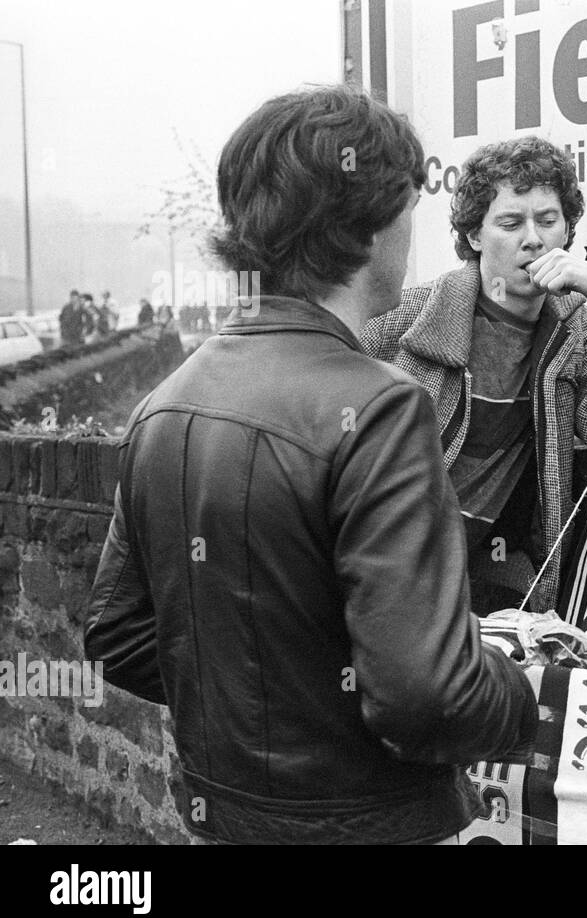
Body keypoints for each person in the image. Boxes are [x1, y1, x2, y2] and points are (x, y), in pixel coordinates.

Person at [84, 85, 537, 845]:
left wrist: (280, 697)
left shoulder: (163, 405)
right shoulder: (380, 407)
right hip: (376, 825)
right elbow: (429, 696)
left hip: (221, 820)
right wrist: (522, 692)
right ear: (369, 226)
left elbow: (120, 635)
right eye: (409, 209)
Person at [363, 135, 587, 615]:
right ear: (474, 236)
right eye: (510, 223)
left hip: (495, 575)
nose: (533, 238)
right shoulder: (404, 319)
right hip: (393, 567)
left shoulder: (575, 326)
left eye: (548, 221)